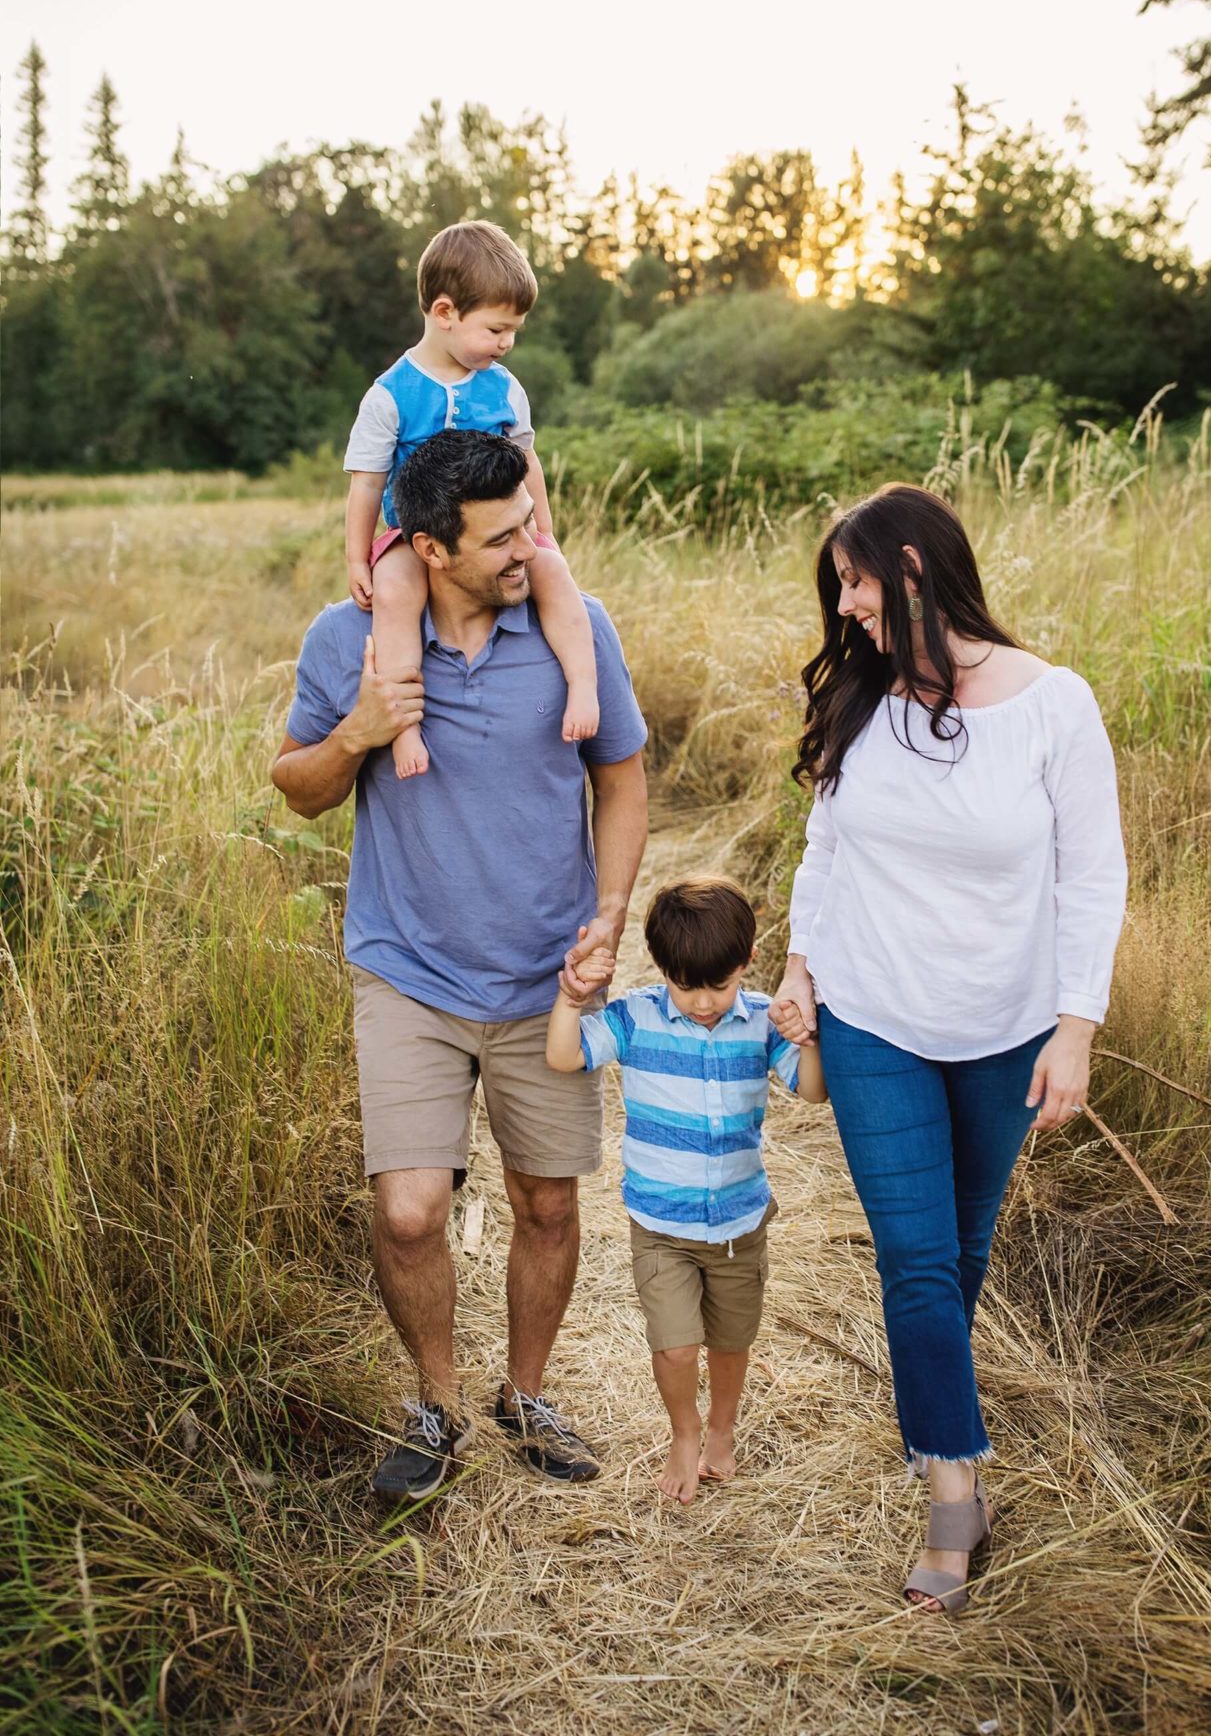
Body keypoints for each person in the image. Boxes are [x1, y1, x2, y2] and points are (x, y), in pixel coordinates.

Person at [272, 430, 648, 1506]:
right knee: (407, 1210)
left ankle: (523, 1393)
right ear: (428, 547)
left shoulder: (576, 631)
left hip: (546, 976)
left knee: (546, 1204)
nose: (529, 547)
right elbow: (298, 785)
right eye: (501, 537)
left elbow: (620, 778)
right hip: (409, 968)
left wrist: (610, 914)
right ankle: (434, 1405)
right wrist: (357, 733)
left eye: (529, 522)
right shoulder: (350, 638)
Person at [770, 483, 1126, 1614]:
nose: (850, 611)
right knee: (915, 1260)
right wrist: (799, 963)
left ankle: (932, 1407)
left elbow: (1093, 876)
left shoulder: (1054, 705)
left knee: (961, 1252)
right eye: (842, 595)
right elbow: (823, 846)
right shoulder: (863, 701)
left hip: (1005, 1025)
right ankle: (952, 1491)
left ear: (915, 568)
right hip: (874, 1011)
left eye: (860, 587)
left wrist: (1075, 1026)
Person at [547, 879, 827, 1504]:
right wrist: (571, 1001)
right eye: (686, 985)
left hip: (738, 1223)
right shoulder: (635, 1018)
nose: (703, 1002)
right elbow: (566, 1058)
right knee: (674, 1347)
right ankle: (685, 1431)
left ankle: (723, 1426)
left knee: (730, 1342)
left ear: (747, 965)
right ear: (661, 969)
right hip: (660, 1225)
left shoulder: (760, 1024)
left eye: (719, 986)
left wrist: (806, 1037)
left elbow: (812, 1090)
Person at [343, 218, 599, 779]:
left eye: (514, 331)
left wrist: (544, 532)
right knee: (394, 595)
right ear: (444, 313)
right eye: (496, 330)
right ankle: (406, 724)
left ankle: (583, 687)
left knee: (553, 572)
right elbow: (365, 483)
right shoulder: (390, 395)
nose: (506, 344)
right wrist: (358, 557)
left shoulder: (504, 386)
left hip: (497, 530)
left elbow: (528, 462)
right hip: (416, 533)